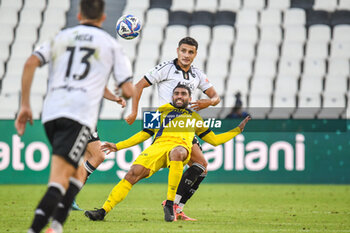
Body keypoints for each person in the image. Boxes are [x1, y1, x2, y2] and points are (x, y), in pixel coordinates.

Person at [15, 0, 133, 232]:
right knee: (60, 180)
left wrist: (25, 105)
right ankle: (40, 228)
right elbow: (128, 89)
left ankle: (57, 225)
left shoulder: (61, 37)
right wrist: (123, 92)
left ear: (79, 15)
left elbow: (30, 62)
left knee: (87, 161)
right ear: (104, 18)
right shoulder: (110, 45)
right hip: (78, 115)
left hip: (52, 114)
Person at [84, 84, 251, 222]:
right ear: (172, 97)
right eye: (176, 93)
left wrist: (237, 130)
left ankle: (170, 203)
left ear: (189, 98)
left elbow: (214, 140)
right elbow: (144, 134)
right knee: (131, 174)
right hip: (157, 148)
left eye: (183, 94)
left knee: (178, 153)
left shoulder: (195, 118)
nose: (179, 96)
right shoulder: (160, 111)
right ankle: (103, 211)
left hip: (180, 148)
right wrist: (118, 146)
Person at [124, 37, 221, 220]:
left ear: (195, 54)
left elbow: (216, 97)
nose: (186, 55)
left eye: (190, 52)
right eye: (183, 51)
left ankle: (176, 206)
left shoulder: (197, 75)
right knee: (142, 170)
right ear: (177, 51)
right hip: (165, 124)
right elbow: (138, 86)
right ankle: (173, 204)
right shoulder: (165, 68)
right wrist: (134, 111)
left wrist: (208, 102)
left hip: (185, 127)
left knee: (202, 168)